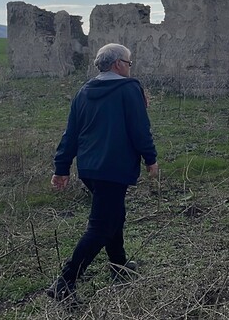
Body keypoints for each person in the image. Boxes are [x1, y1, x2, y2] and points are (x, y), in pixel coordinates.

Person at [47, 43, 158, 302]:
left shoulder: (83, 91)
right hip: (114, 167)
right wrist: (150, 158)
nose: (130, 68)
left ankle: (118, 265)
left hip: (89, 168)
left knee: (114, 213)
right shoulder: (129, 88)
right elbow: (139, 128)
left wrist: (61, 168)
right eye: (129, 63)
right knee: (101, 226)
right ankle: (65, 281)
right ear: (118, 63)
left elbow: (71, 134)